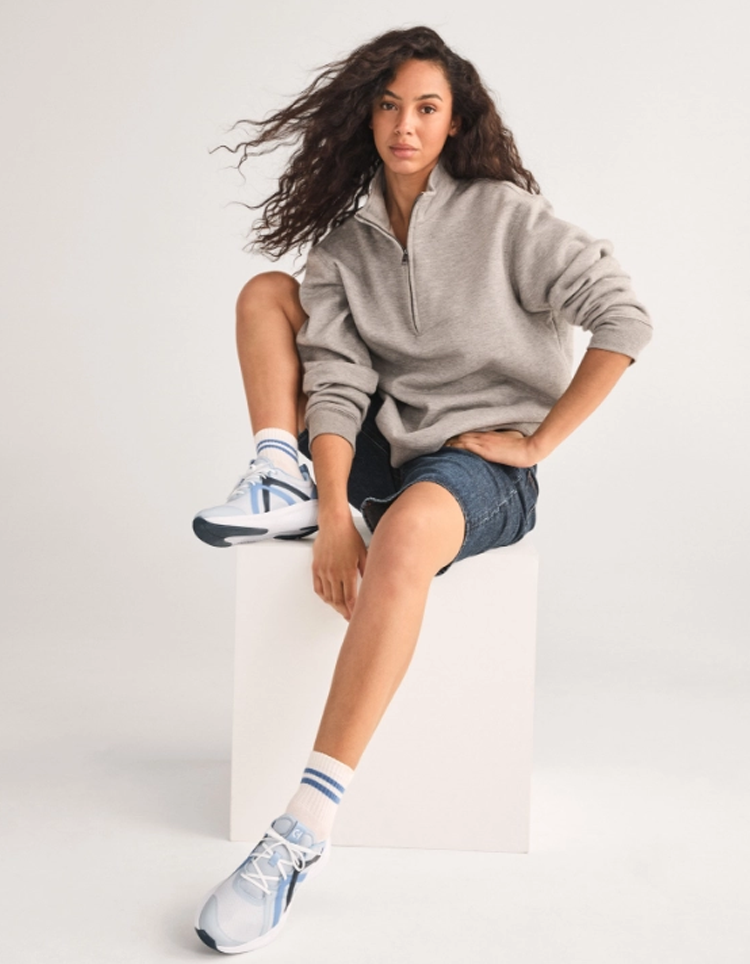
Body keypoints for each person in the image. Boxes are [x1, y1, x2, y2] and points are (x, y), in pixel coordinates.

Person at [192, 26, 653, 954]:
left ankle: (300, 830)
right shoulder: (346, 246)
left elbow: (625, 317)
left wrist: (538, 444)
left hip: (477, 465)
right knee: (264, 293)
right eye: (390, 104)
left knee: (403, 537)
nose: (406, 125)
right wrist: (329, 513)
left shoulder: (505, 216)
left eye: (428, 108)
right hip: (388, 444)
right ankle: (278, 471)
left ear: (455, 121)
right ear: (366, 114)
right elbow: (337, 381)